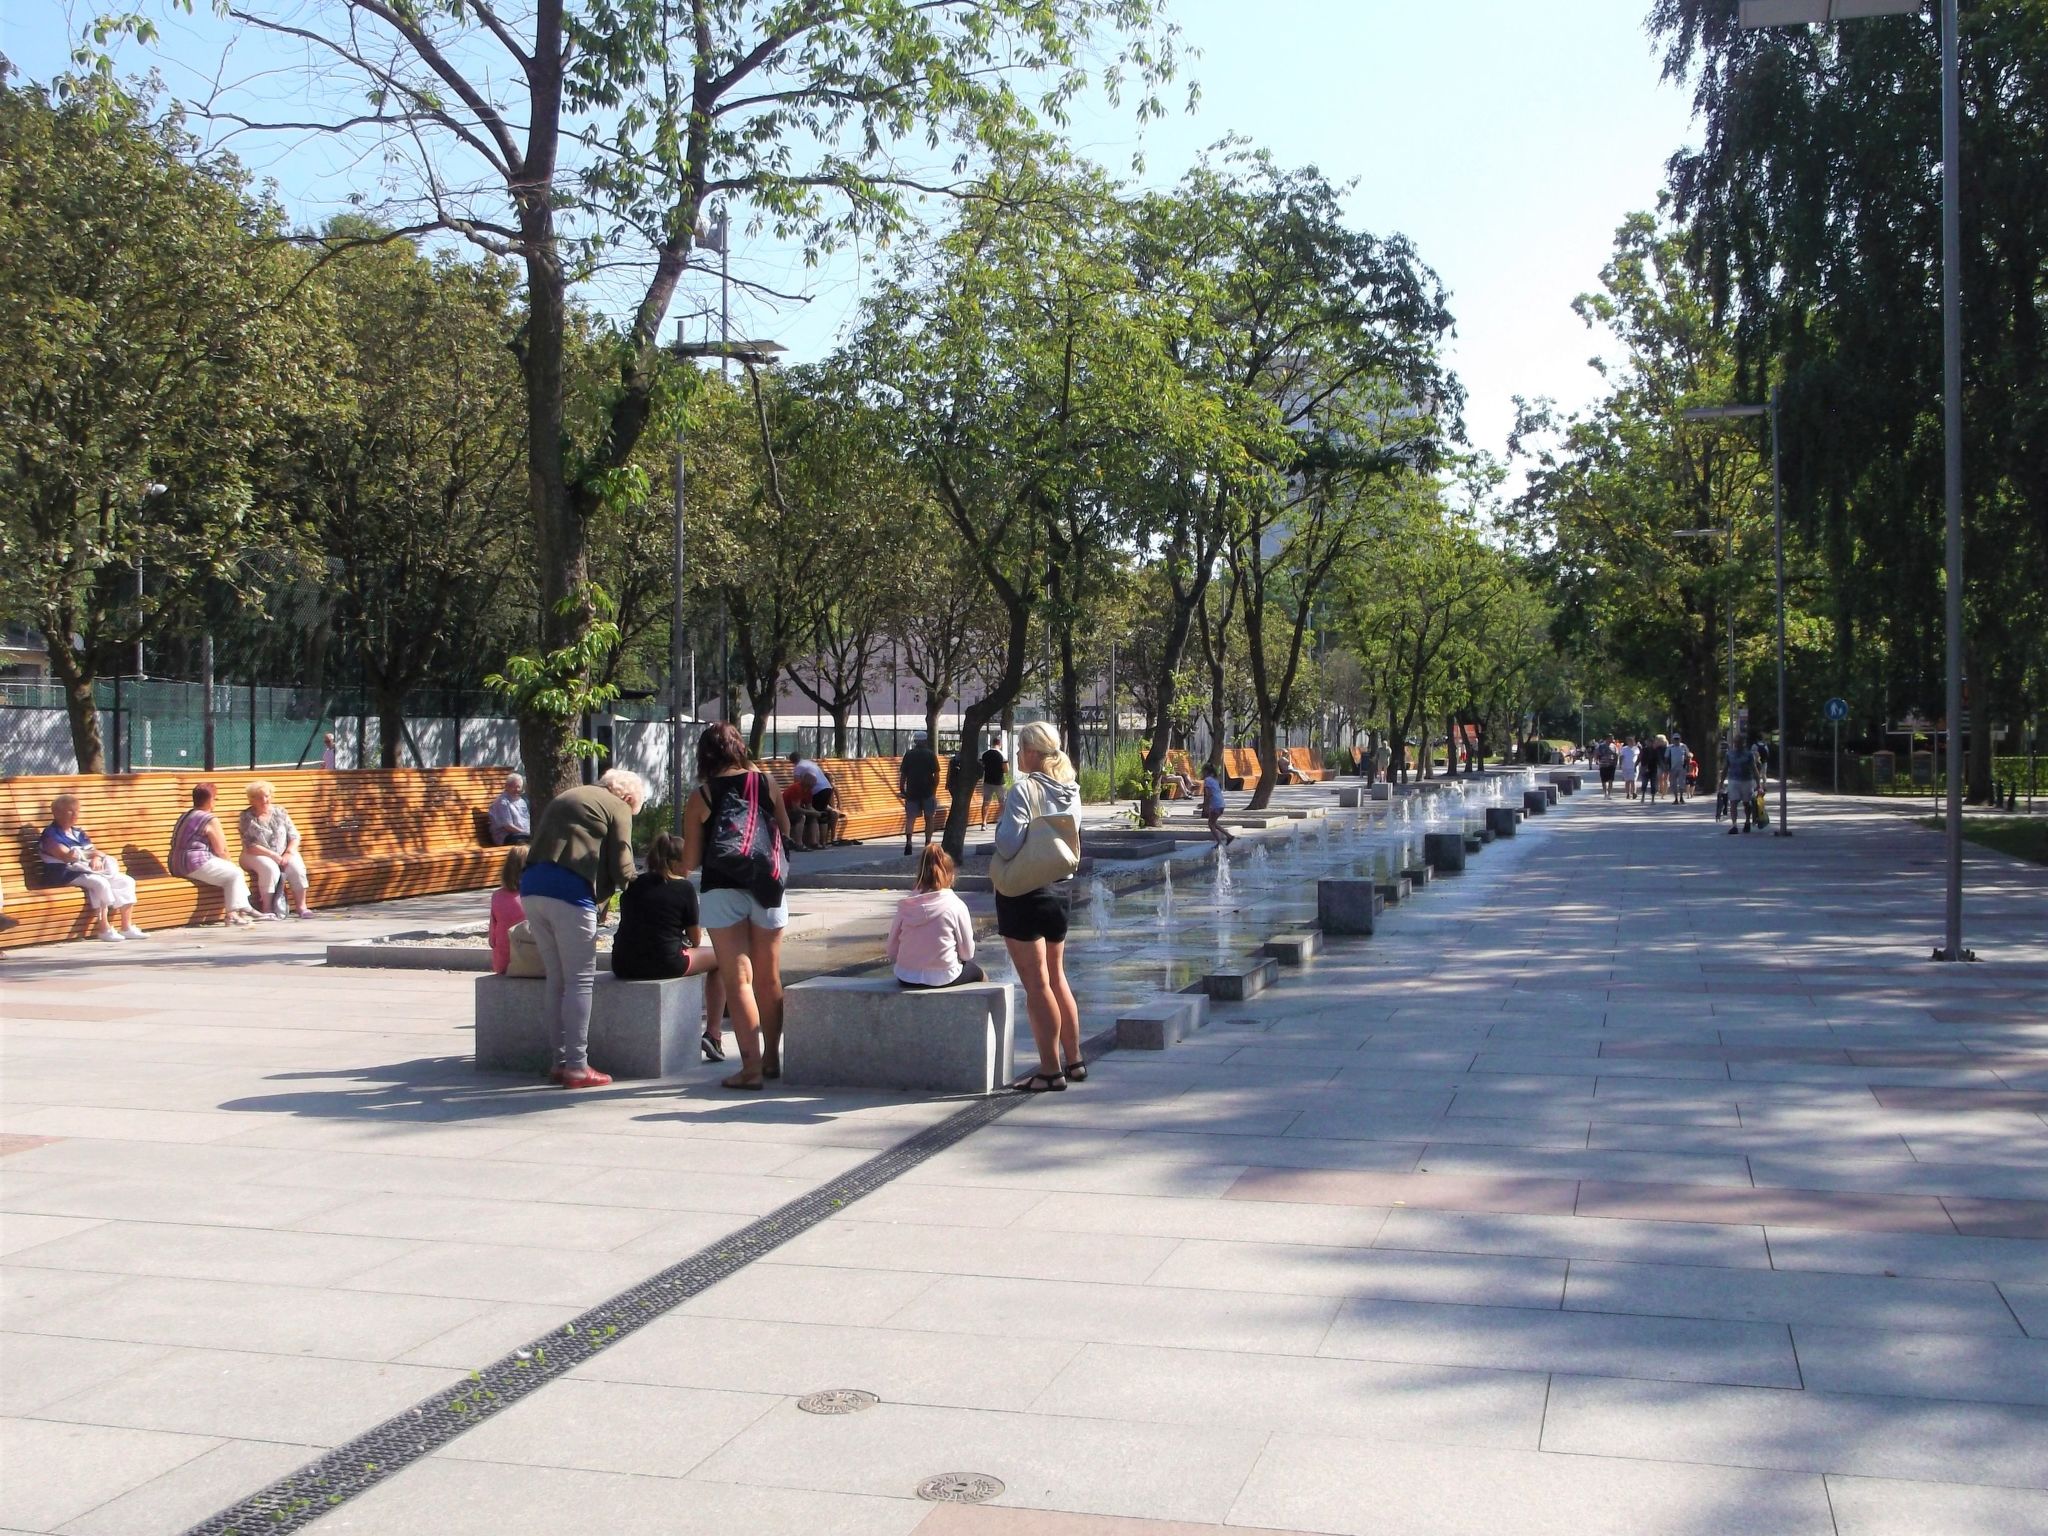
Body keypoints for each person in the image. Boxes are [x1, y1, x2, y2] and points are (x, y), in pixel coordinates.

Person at [520, 767, 646, 1089]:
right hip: (570, 893)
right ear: (629, 798)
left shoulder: (571, 795)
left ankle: (559, 1062)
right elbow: (623, 865)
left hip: (532, 887)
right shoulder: (617, 806)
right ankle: (578, 1067)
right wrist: (647, 887)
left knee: (557, 980)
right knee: (579, 982)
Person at [688, 724, 793, 1090]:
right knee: (769, 976)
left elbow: (689, 859)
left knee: (738, 978)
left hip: (722, 886)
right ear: (739, 748)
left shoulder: (702, 794)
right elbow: (784, 829)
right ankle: (771, 1058)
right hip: (768, 882)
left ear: (705, 754)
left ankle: (748, 1070)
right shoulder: (765, 783)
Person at [995, 720, 1083, 1093]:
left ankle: (1050, 1069)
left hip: (1024, 892)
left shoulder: (1024, 790)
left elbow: (1008, 845)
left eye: (1019, 750)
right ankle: (1074, 1059)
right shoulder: (1070, 788)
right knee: (1057, 977)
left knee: (1036, 985)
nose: (1016, 757)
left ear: (1032, 752)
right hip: (1059, 889)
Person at [612, 831, 727, 1062]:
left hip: (623, 962)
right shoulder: (683, 888)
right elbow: (695, 939)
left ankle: (713, 1033)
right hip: (663, 962)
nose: (691, 868)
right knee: (722, 959)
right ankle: (714, 1034)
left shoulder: (633, 884)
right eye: (689, 862)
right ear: (675, 862)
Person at [39, 793, 143, 942]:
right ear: (56, 813)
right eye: (70, 811)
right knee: (99, 883)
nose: (74, 814)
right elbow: (66, 856)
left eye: (76, 810)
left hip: (84, 869)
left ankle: (126, 927)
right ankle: (104, 928)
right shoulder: (50, 834)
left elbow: (93, 851)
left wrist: (95, 857)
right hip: (63, 873)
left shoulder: (77, 832)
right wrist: (91, 854)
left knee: (127, 881)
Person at [887, 845, 984, 990]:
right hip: (944, 976)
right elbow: (967, 953)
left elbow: (891, 950)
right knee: (981, 975)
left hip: (906, 976)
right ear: (951, 876)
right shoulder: (955, 905)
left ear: (920, 874)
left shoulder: (906, 905)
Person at [169, 783, 259, 926]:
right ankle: (234, 914)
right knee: (235, 873)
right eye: (216, 799)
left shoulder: (185, 815)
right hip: (194, 863)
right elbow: (221, 850)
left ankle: (243, 909)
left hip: (175, 863)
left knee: (232, 875)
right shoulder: (209, 819)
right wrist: (229, 863)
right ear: (211, 800)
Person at [240, 780, 314, 918]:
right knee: (269, 867)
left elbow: (294, 835)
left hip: (283, 852)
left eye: (267, 796)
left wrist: (289, 852)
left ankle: (302, 907)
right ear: (252, 799)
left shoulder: (280, 812)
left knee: (296, 867)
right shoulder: (246, 816)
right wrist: (274, 856)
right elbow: (250, 845)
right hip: (254, 854)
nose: (264, 800)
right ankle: (267, 909)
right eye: (259, 797)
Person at [899, 735, 941, 855]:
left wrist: (902, 789)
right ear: (925, 741)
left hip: (912, 791)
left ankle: (908, 843)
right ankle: (927, 844)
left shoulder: (909, 755)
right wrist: (934, 789)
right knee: (929, 818)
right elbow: (937, 775)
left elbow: (903, 774)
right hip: (928, 791)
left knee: (910, 819)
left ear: (915, 741)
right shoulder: (931, 755)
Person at [488, 847, 526, 972]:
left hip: (503, 963)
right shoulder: (534, 896)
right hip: (532, 959)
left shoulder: (497, 896)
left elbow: (492, 940)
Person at [788, 752, 840, 844]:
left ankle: (819, 842)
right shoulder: (809, 763)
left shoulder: (798, 767)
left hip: (817, 791)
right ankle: (821, 842)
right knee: (820, 814)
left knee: (816, 816)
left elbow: (797, 784)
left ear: (792, 761)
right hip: (827, 788)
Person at [1723, 736, 1758, 834]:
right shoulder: (1729, 754)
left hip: (1747, 781)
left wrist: (1758, 783)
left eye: (1739, 742)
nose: (1737, 744)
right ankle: (1734, 825)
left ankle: (1747, 821)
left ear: (1743, 743)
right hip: (1733, 780)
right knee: (1733, 803)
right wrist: (1721, 782)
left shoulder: (1749, 754)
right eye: (1735, 742)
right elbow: (1725, 768)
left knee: (1746, 803)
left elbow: (1754, 768)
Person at [780, 776, 824, 850]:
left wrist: (817, 813)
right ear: (807, 782)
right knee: (801, 817)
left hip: (793, 811)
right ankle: (799, 844)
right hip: (785, 811)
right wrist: (812, 812)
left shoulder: (809, 791)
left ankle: (814, 842)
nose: (814, 785)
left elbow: (809, 806)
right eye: (813, 783)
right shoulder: (797, 788)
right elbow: (796, 809)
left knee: (813, 817)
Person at [487, 772, 530, 846]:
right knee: (529, 841)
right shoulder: (502, 802)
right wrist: (526, 833)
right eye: (514, 787)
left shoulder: (521, 801)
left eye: (519, 787)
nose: (517, 789)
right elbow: (508, 826)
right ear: (506, 787)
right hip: (505, 836)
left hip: (521, 834)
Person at [1200, 761, 1235, 847]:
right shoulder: (1215, 780)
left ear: (1206, 772)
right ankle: (1229, 836)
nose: (1202, 773)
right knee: (1213, 823)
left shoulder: (1207, 780)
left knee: (1211, 824)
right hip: (1221, 803)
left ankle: (1219, 842)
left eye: (1203, 771)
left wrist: (1204, 805)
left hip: (1216, 805)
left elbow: (1209, 794)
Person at [978, 738, 1007, 820]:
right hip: (999, 782)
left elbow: (981, 766)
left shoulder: (984, 754)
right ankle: (1002, 820)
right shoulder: (1002, 754)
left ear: (992, 743)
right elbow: (1006, 769)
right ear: (1000, 744)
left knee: (986, 802)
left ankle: (984, 823)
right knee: (1002, 802)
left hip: (987, 781)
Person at [1668, 730, 1690, 805]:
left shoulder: (1683, 746)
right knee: (1673, 784)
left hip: (1682, 767)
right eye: (1675, 739)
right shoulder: (1670, 747)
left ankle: (1681, 797)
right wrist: (1667, 767)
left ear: (1680, 739)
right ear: (1673, 740)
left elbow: (1688, 756)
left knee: (1682, 783)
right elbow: (1666, 757)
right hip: (1672, 768)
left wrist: (1688, 766)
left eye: (1677, 739)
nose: (1676, 740)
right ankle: (1676, 798)